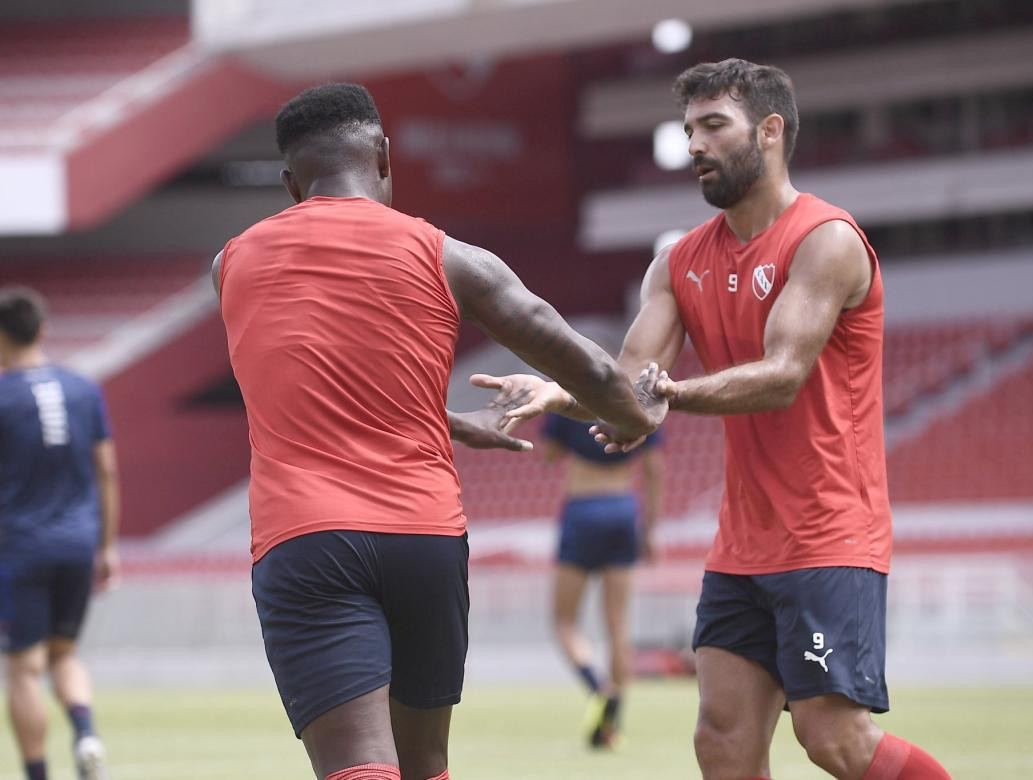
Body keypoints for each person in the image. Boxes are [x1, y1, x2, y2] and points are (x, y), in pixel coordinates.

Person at [478, 59, 951, 779]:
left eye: (712, 126)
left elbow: (781, 376)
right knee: (722, 743)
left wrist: (666, 395)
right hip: (741, 545)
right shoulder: (679, 264)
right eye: (688, 128)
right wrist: (556, 392)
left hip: (829, 532)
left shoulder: (826, 240)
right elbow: (633, 390)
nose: (694, 144)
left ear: (769, 131)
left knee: (834, 741)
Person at [213, 83, 663, 780]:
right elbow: (573, 354)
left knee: (358, 764)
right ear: (386, 159)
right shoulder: (451, 258)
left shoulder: (232, 263)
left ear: (290, 183)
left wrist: (442, 421)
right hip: (424, 536)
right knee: (426, 767)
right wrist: (634, 417)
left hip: (307, 537)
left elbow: (311, 388)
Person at [0, 287, 119, 780]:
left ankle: (36, 773)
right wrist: (107, 545)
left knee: (24, 668)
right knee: (64, 654)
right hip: (78, 542)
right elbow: (107, 471)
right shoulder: (82, 388)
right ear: (43, 330)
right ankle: (86, 733)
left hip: (19, 547)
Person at [542, 412, 662, 747]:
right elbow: (654, 469)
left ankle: (598, 687)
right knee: (618, 623)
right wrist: (651, 529)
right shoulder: (632, 404)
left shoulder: (569, 401)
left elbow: (548, 455)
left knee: (564, 620)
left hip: (582, 507)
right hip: (623, 506)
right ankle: (612, 725)